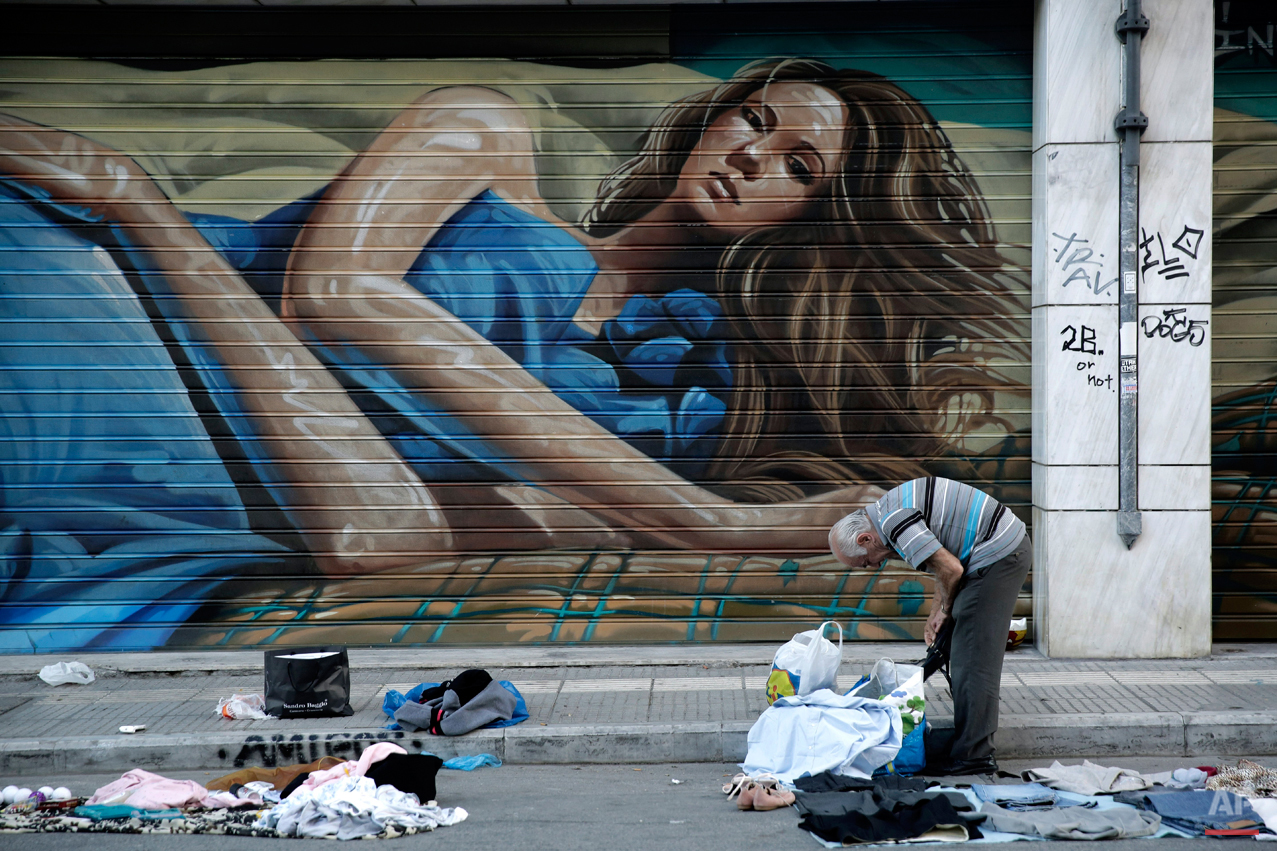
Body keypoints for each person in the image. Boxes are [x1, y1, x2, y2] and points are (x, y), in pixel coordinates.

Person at [0, 58, 1023, 648]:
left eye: (795, 163)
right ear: (712, 118)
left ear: (816, 220)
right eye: (750, 118)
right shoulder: (486, 135)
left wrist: (141, 204)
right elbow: (329, 295)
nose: (750, 152)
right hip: (96, 303)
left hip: (138, 427)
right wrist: (694, 520)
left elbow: (374, 537)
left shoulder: (661, 427)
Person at [828, 476, 1031, 776]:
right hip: (990, 552)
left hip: (998, 553)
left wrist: (946, 608)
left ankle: (974, 757)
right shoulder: (888, 512)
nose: (873, 567)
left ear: (864, 540)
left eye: (866, 562)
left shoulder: (895, 523)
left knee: (972, 660)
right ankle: (966, 747)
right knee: (958, 647)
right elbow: (943, 559)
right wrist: (937, 612)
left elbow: (952, 568)